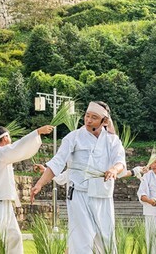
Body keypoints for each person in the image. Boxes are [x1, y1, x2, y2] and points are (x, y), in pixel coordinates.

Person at [31, 101, 126, 254]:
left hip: (103, 195)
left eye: (94, 117)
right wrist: (40, 184)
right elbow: (57, 162)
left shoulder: (112, 140)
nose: (88, 120)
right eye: (87, 116)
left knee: (106, 241)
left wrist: (114, 169)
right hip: (79, 195)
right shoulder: (73, 137)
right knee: (81, 240)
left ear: (104, 121)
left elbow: (120, 161)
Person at [0, 124, 53, 254]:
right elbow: (18, 147)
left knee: (15, 237)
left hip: (3, 202)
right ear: (4, 138)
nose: (11, 139)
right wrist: (37, 132)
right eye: (9, 136)